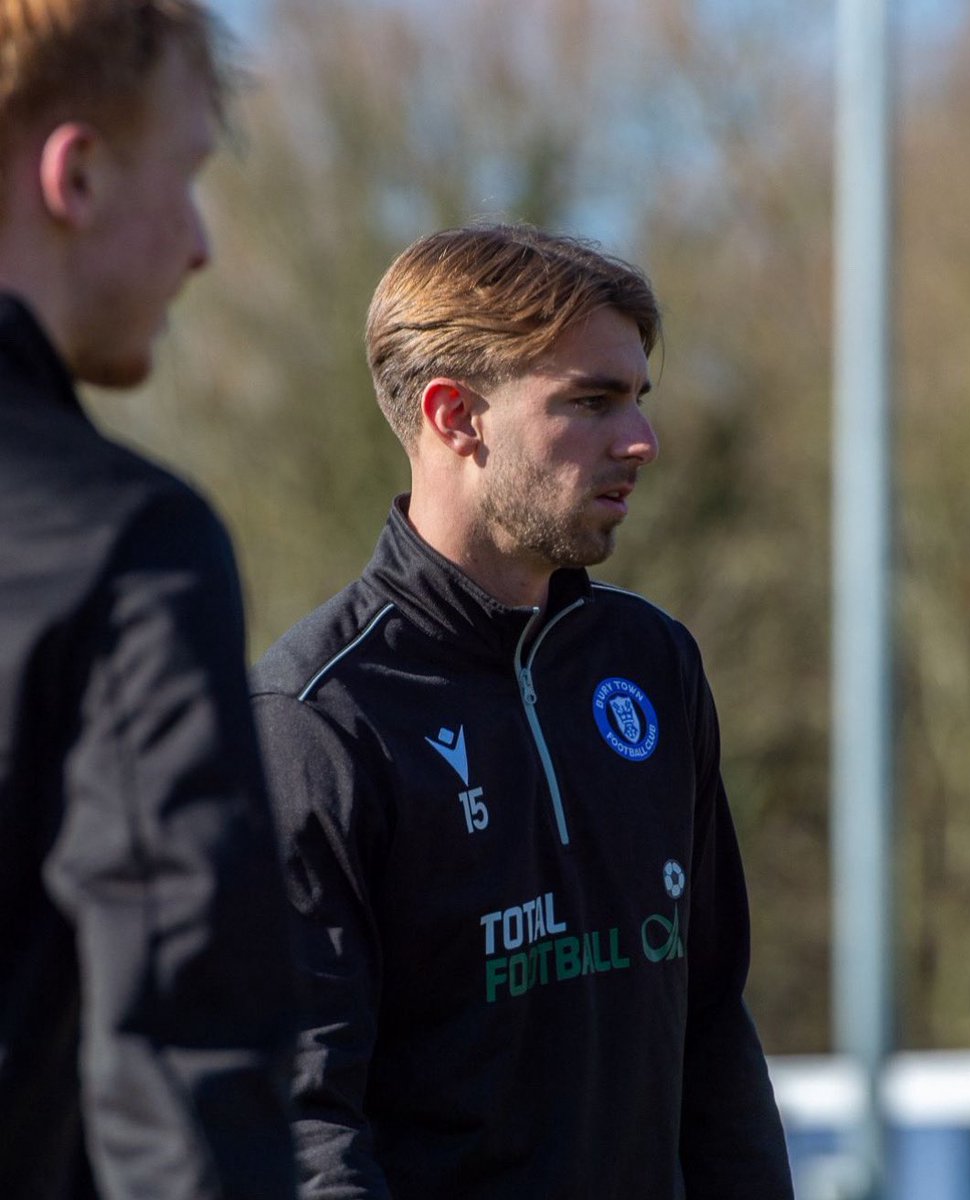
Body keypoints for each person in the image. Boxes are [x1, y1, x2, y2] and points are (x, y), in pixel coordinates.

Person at [253, 223, 794, 1199]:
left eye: (637, 400)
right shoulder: (315, 724)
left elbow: (709, 1021)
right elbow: (301, 1127)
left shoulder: (652, 664)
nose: (640, 440)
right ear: (455, 415)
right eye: (589, 402)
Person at [0, 3, 297, 1197]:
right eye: (187, 176)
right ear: (76, 174)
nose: (199, 244)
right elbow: (183, 1073)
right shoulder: (126, 542)